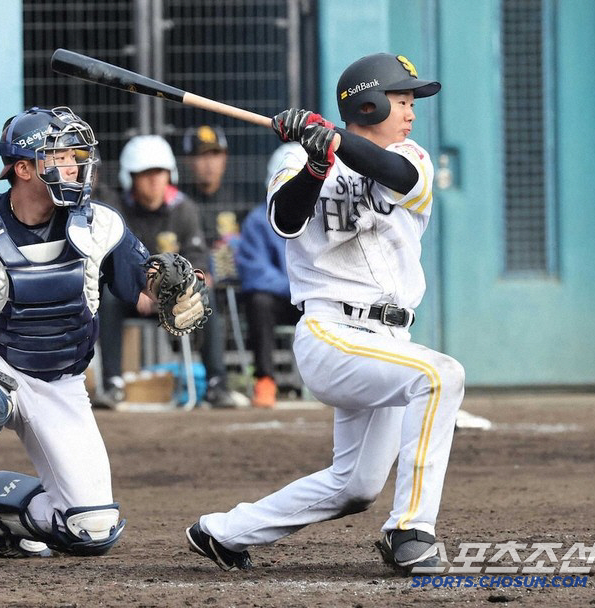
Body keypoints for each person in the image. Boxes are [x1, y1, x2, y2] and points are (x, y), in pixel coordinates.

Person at [185, 53, 465, 576]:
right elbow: (286, 220)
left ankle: (222, 532)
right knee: (441, 375)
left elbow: (390, 171)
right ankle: (410, 529)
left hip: (388, 339)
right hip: (332, 333)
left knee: (354, 486)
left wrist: (333, 139)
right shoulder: (295, 161)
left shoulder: (413, 156)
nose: (411, 111)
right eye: (401, 100)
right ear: (369, 102)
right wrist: (316, 160)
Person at [0, 107, 203, 558]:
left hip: (61, 381)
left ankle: (1, 515)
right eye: (60, 157)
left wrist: (171, 293)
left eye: (78, 155)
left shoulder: (100, 223)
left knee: (90, 528)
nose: (76, 166)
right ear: (23, 169)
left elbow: (142, 292)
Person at [97, 134, 249, 409]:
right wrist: (137, 289)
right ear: (129, 177)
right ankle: (112, 385)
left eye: (159, 172)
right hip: (132, 296)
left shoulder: (184, 209)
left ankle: (217, 384)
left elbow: (197, 259)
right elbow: (111, 260)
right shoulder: (117, 210)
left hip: (174, 295)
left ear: (170, 174)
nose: (154, 181)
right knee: (107, 297)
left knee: (207, 296)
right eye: (145, 174)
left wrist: (186, 286)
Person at [235, 144, 302, 408]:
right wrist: (298, 288)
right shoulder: (258, 220)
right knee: (258, 301)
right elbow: (255, 274)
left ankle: (339, 381)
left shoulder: (324, 216)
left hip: (316, 299)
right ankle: (265, 381)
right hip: (285, 299)